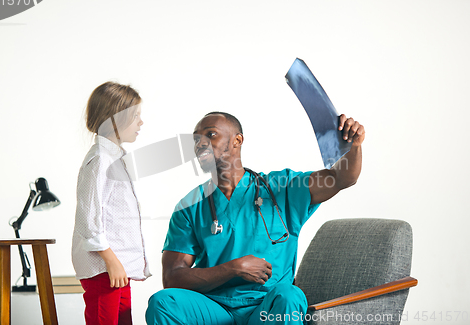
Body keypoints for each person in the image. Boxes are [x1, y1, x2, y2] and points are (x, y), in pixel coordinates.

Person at [145, 111, 365, 325]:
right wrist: (232, 268)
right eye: (196, 139)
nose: (200, 143)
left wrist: (352, 146)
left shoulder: (281, 187)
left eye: (210, 134)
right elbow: (173, 278)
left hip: (265, 306)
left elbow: (340, 178)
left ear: (237, 140)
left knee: (290, 296)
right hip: (213, 307)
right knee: (163, 303)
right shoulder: (189, 206)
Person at [72, 81, 151, 325]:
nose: (141, 122)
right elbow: (89, 219)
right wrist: (111, 261)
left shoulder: (114, 158)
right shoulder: (99, 160)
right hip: (105, 267)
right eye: (135, 116)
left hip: (118, 267)